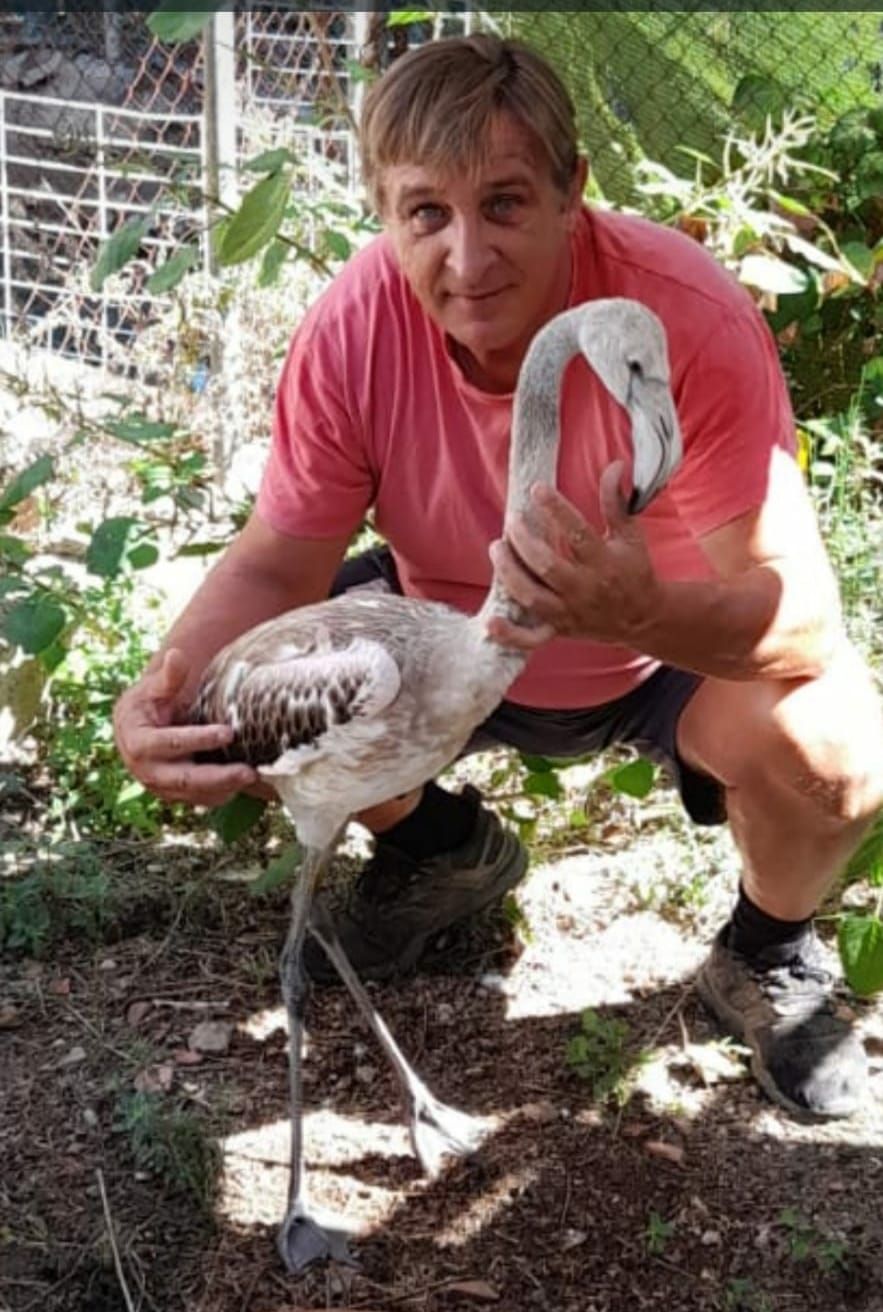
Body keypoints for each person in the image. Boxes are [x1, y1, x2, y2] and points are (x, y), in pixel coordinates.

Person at [114, 33, 883, 1121]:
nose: (466, 259)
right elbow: (280, 558)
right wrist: (167, 692)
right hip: (445, 643)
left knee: (838, 745)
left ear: (575, 191)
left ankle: (764, 948)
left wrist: (641, 607)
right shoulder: (356, 323)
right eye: (426, 213)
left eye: (506, 203)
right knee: (331, 663)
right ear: (384, 212)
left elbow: (800, 620)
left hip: (660, 653)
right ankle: (444, 850)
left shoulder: (680, 320)